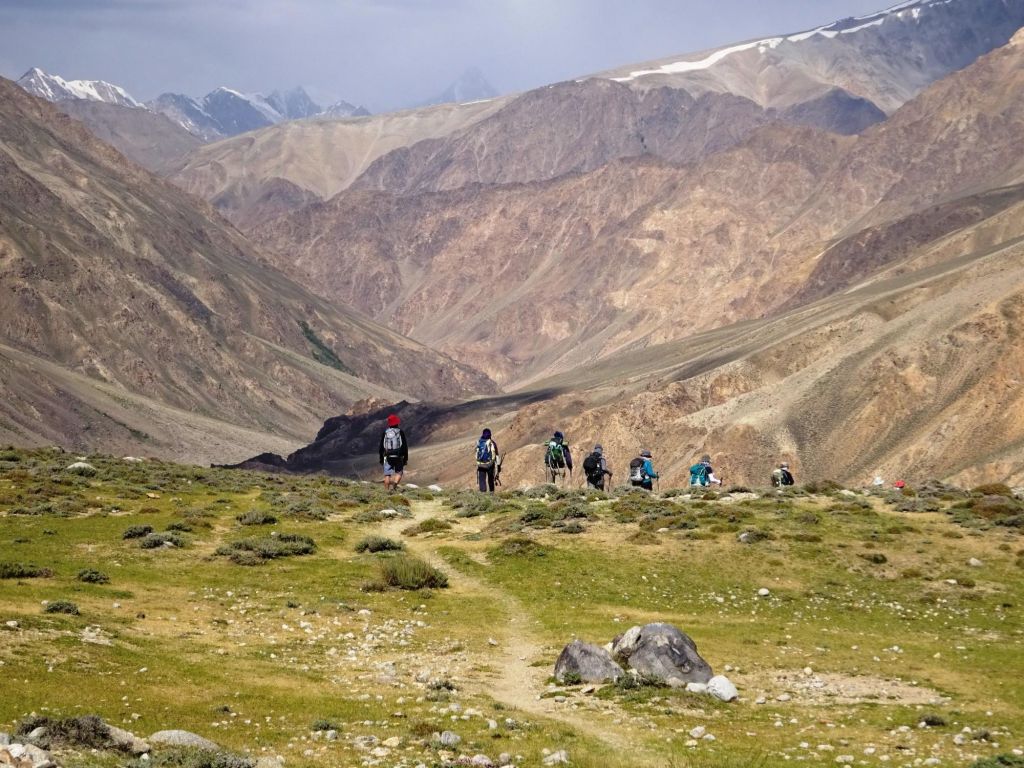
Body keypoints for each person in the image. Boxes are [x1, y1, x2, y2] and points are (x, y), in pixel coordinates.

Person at [378, 414, 408, 492]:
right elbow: (405, 446)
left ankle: (386, 491)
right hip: (398, 455)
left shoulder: (385, 432)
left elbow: (381, 446)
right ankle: (394, 485)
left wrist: (381, 458)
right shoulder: (400, 432)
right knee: (399, 472)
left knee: (387, 474)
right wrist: (405, 458)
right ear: (397, 423)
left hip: (388, 456)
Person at [476, 428, 500, 493]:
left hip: (481, 464)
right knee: (490, 479)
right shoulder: (492, 443)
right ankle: (491, 493)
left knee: (482, 479)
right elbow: (497, 455)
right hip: (490, 465)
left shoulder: (479, 442)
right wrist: (498, 466)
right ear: (490, 434)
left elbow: (477, 453)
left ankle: (483, 492)